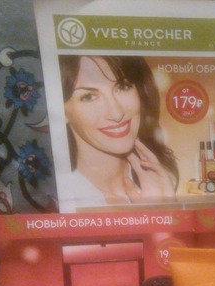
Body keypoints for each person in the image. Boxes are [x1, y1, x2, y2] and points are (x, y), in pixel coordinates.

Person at [59, 55, 178, 205]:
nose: (116, 114)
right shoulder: (55, 198)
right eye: (89, 97)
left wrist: (164, 211)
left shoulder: (163, 182)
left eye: (123, 87)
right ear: (61, 111)